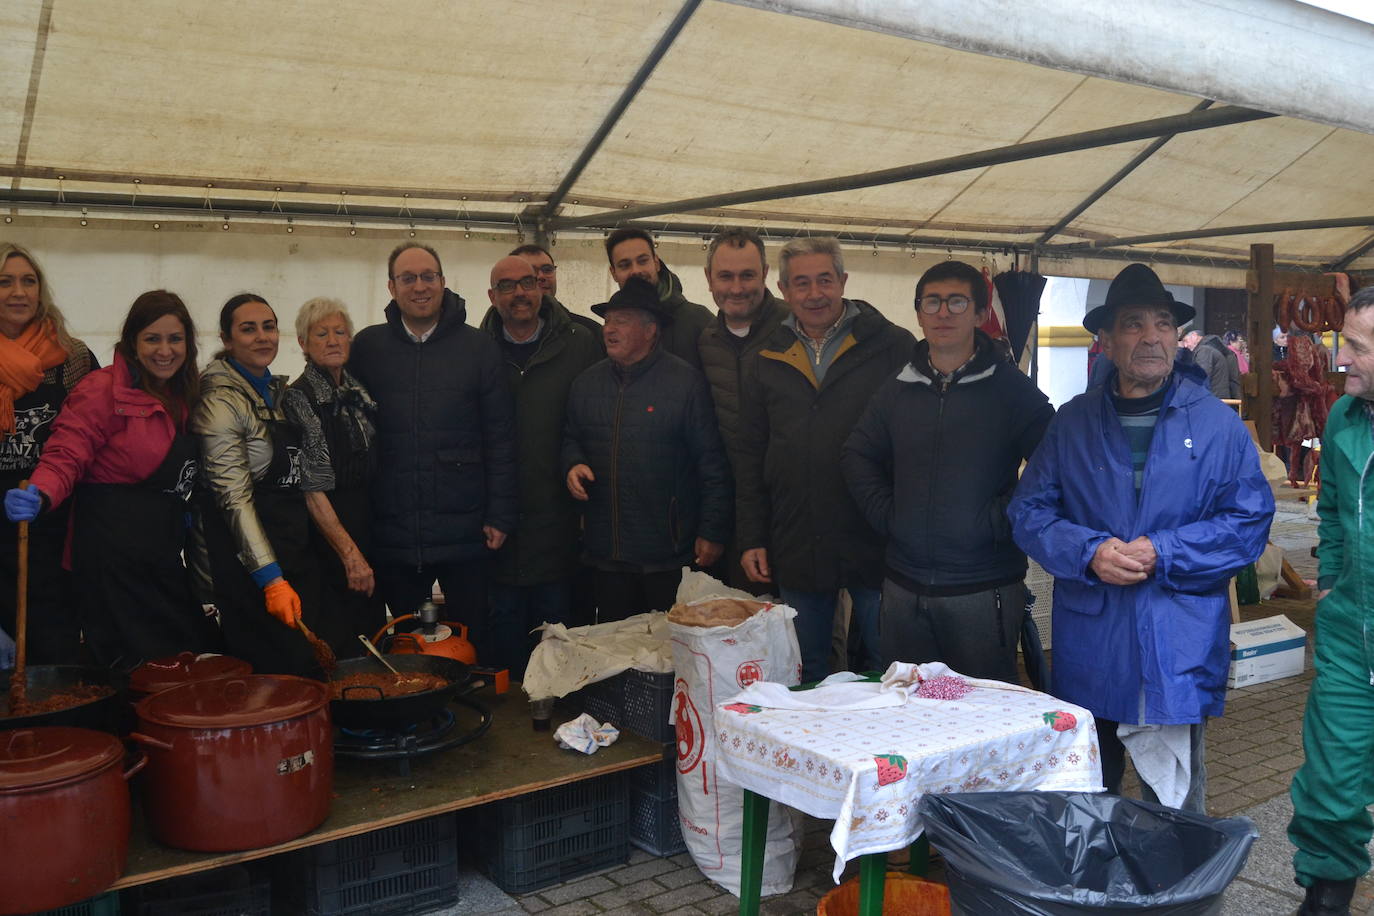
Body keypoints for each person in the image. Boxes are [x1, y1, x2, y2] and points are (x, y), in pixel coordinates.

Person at [1009, 263, 1272, 813]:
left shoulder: (1216, 425)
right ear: (1104, 340)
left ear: (1178, 338)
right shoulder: (1073, 423)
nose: (1151, 337)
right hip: (1092, 639)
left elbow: (1248, 520)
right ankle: (1096, 890)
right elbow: (1029, 510)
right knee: (1089, 790)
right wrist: (1089, 552)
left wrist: (1165, 551)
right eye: (1133, 324)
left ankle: (1176, 893)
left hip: (1177, 636)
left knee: (1173, 800)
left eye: (1163, 324)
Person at [842, 260, 1054, 683]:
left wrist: (1001, 518)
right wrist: (889, 514)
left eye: (957, 302)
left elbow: (1054, 463)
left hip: (982, 589)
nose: (943, 313)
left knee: (981, 718)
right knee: (909, 712)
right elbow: (857, 454)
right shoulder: (897, 387)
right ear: (918, 313)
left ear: (979, 315)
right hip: (904, 589)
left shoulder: (1010, 389)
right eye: (932, 302)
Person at [735, 237, 914, 682]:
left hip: (874, 530)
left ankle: (884, 749)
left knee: (887, 664)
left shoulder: (893, 345)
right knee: (807, 667)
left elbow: (917, 438)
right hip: (799, 531)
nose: (814, 294)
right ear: (783, 290)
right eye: (801, 283)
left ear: (843, 281)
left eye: (824, 280)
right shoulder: (764, 355)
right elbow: (750, 452)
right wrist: (752, 534)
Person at [5, 291, 216, 668]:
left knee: (182, 661)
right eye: (152, 338)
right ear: (133, 342)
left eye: (175, 339)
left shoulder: (186, 393)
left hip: (162, 554)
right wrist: (42, 491)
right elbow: (67, 451)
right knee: (132, 671)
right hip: (110, 562)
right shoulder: (101, 389)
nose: (164, 350)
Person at [349, 244, 517, 652]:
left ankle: (471, 710)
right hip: (394, 529)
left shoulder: (478, 348)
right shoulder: (367, 348)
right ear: (391, 287)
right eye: (408, 278)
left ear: (443, 283)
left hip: (466, 528)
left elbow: (500, 436)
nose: (420, 286)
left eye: (429, 276)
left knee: (470, 640)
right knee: (407, 646)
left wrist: (500, 512)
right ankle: (418, 715)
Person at [562, 276, 731, 621]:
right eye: (607, 320)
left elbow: (712, 463)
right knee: (614, 649)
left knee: (666, 654)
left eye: (621, 321)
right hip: (605, 556)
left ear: (651, 329)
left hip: (666, 557)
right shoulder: (586, 383)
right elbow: (570, 437)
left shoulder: (685, 383)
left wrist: (712, 531)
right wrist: (573, 462)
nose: (609, 329)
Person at [1286, 285, 1374, 916]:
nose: (1344, 358)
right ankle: (1326, 892)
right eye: (1346, 341)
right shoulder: (1346, 416)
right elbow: (1337, 511)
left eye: (1360, 347)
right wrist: (1335, 576)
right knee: (1331, 776)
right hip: (1351, 631)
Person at [479, 256, 600, 675]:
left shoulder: (581, 343)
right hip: (497, 522)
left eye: (527, 283)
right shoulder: (475, 349)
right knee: (505, 634)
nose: (519, 294)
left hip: (560, 519)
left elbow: (593, 422)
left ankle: (561, 720)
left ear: (542, 287)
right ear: (492, 296)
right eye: (508, 286)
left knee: (560, 634)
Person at [192, 293, 322, 676]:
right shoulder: (218, 403)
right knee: (265, 676)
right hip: (242, 565)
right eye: (248, 329)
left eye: (268, 327)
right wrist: (270, 579)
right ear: (227, 340)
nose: (262, 337)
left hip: (288, 547)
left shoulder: (278, 393)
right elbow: (233, 499)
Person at [0, 243, 96, 664]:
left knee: (55, 647)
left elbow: (91, 435)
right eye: (4, 281)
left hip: (58, 520)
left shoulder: (72, 357)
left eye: (28, 280)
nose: (18, 292)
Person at [280, 298, 384, 658]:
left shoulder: (358, 390)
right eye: (321, 334)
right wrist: (350, 555)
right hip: (329, 528)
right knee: (342, 634)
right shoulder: (300, 398)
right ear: (303, 344)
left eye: (340, 332)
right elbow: (312, 488)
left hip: (368, 518)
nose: (333, 340)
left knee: (373, 625)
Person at [696, 228, 787, 593]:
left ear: (765, 274)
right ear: (708, 279)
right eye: (726, 276)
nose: (736, 288)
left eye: (747, 275)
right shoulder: (707, 340)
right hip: (736, 514)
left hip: (792, 512)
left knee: (802, 631)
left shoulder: (794, 328)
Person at [597, 228, 712, 369]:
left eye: (643, 261)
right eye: (625, 265)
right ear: (613, 273)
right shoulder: (608, 333)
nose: (636, 271)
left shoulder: (698, 320)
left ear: (656, 263)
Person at [510, 243, 603, 344]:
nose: (541, 276)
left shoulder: (590, 332)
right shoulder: (493, 336)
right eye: (531, 270)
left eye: (547, 270)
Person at [1181, 328, 1241, 399]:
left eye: (1185, 341)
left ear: (1194, 336)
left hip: (1211, 400)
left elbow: (1200, 379)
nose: (1185, 345)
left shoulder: (1204, 351)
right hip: (1221, 400)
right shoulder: (1219, 349)